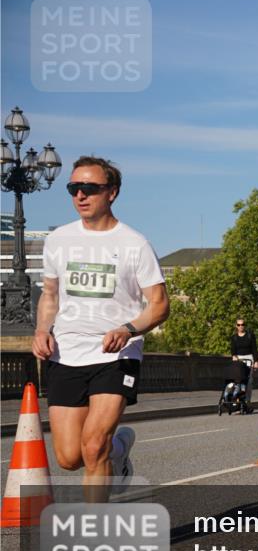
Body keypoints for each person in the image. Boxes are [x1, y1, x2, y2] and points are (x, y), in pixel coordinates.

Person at [32, 156, 169, 502]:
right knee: (69, 458)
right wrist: (41, 330)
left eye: (90, 188)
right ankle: (119, 452)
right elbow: (49, 295)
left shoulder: (134, 244)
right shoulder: (59, 240)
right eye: (74, 188)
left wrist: (128, 328)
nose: (80, 195)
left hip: (116, 355)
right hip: (66, 354)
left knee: (94, 446)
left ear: (112, 193)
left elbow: (159, 304)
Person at [231, 318, 258, 407]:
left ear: (245, 325)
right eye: (239, 325)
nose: (240, 326)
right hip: (239, 359)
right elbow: (233, 350)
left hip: (249, 358)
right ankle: (237, 400)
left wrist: (256, 361)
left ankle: (247, 401)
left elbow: (254, 349)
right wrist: (234, 357)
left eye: (242, 324)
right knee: (238, 381)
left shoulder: (250, 336)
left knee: (249, 381)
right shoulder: (234, 337)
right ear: (236, 326)